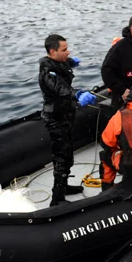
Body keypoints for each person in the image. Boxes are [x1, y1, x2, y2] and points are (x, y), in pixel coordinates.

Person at [38, 34, 98, 207]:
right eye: (64, 50)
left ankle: (64, 187)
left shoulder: (58, 62)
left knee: (68, 156)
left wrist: (71, 61)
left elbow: (63, 65)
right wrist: (77, 94)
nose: (68, 51)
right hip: (55, 119)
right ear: (52, 51)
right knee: (61, 158)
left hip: (66, 116)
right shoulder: (47, 73)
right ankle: (57, 199)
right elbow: (60, 87)